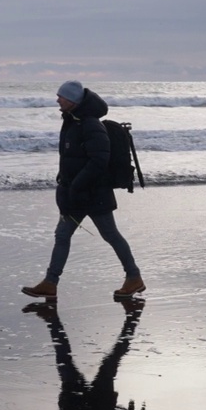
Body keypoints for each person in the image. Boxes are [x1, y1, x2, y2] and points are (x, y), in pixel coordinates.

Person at [22, 80, 145, 300]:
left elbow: (99, 160)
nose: (57, 99)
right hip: (77, 193)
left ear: (73, 100)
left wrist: (77, 185)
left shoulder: (90, 124)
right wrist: (65, 181)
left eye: (61, 96)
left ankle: (134, 277)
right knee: (62, 235)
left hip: (94, 194)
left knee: (110, 235)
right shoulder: (72, 121)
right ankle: (50, 283)